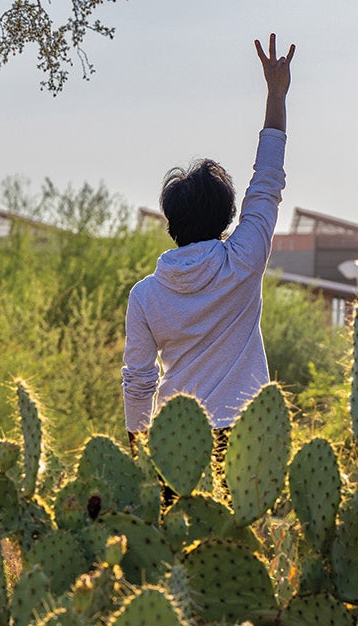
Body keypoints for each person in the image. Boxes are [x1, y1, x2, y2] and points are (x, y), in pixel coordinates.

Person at [121, 34, 293, 441]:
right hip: (249, 438)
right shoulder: (243, 260)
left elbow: (140, 381)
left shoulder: (144, 297)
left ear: (170, 222)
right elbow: (267, 182)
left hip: (177, 442)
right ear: (229, 216)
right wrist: (276, 94)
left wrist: (139, 452)